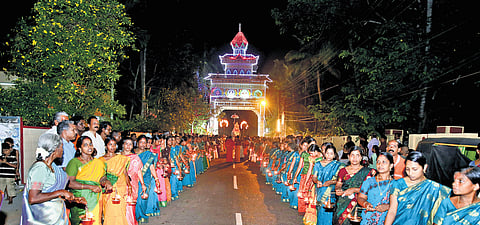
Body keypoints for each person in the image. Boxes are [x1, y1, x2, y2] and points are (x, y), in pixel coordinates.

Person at [21, 133, 83, 225]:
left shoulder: (54, 167)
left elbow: (51, 194)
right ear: (55, 149)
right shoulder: (40, 168)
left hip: (57, 218)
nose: (63, 150)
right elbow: (33, 198)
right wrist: (61, 192)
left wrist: (74, 199)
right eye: (61, 147)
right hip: (43, 219)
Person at [384, 151, 450, 225]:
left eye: (415, 169)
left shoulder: (434, 188)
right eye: (407, 169)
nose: (410, 173)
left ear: (424, 167)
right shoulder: (398, 184)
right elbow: (392, 211)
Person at [66, 136, 113, 225]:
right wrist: (90, 187)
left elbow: (102, 177)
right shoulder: (74, 162)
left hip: (96, 199)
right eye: (86, 145)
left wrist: (106, 182)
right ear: (80, 148)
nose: (89, 147)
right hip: (81, 200)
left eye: (90, 144)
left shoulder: (99, 162)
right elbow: (70, 183)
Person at [334, 146, 375, 225]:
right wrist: (338, 189)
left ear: (361, 158)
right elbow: (338, 184)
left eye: (357, 155)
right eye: (352, 155)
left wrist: (354, 190)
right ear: (348, 157)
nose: (355, 158)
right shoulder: (343, 171)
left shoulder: (368, 172)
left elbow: (371, 189)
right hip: (343, 202)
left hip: (360, 203)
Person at [100, 137, 131, 225]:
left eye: (114, 144)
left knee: (121, 211)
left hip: (121, 188)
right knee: (109, 211)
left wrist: (129, 186)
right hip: (109, 189)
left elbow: (125, 173)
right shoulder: (100, 160)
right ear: (106, 146)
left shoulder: (121, 158)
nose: (113, 147)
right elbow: (101, 175)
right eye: (110, 144)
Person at [357, 152, 394, 225]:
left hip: (388, 220)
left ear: (391, 165)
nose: (380, 165)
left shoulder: (396, 184)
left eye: (384, 162)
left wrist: (388, 206)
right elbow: (360, 197)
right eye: (378, 162)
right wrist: (365, 203)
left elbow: (401, 204)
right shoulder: (369, 182)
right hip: (368, 219)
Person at [312, 144, 344, 225]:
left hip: (330, 192)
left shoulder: (337, 165)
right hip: (320, 190)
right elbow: (314, 177)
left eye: (331, 153)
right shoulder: (318, 164)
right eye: (327, 153)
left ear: (334, 155)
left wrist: (330, 182)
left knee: (328, 213)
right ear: (324, 153)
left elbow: (340, 179)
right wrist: (317, 181)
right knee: (320, 211)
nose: (329, 155)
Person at [135, 135, 161, 223]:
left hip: (145, 178)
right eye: (141, 142)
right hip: (135, 178)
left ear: (147, 144)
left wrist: (156, 178)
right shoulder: (132, 154)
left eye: (144, 142)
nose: (142, 144)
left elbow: (151, 167)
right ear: (137, 143)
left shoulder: (149, 155)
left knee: (143, 198)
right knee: (136, 198)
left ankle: (142, 215)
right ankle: (137, 216)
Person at [121, 137, 146, 225]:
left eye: (130, 144)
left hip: (133, 184)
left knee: (130, 207)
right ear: (123, 144)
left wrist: (142, 184)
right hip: (120, 185)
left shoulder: (135, 157)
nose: (128, 146)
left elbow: (139, 171)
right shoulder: (118, 156)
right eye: (126, 144)